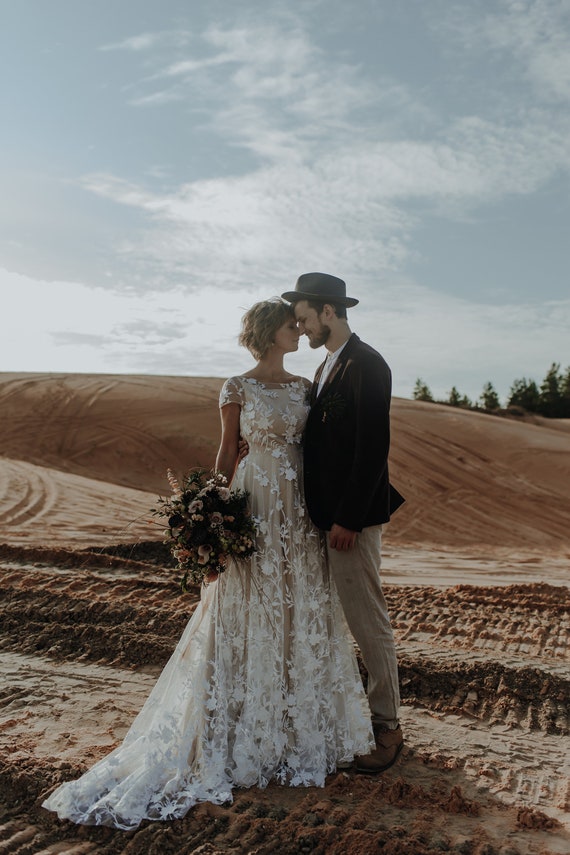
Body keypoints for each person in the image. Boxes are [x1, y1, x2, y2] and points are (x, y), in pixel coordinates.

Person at [42, 298, 374, 830]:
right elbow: (225, 454)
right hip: (254, 507)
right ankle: (242, 728)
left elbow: (322, 447)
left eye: (300, 323)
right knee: (245, 608)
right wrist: (209, 519)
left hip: (300, 507)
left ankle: (299, 729)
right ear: (270, 333)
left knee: (302, 606)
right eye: (292, 325)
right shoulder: (236, 387)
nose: (299, 331)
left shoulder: (306, 388)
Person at [280, 272, 405, 774]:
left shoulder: (367, 363)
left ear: (329, 312)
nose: (301, 325)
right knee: (348, 617)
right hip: (328, 516)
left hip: (351, 521)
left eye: (306, 317)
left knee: (366, 620)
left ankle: (388, 727)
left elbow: (373, 448)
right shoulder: (328, 363)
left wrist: (349, 518)